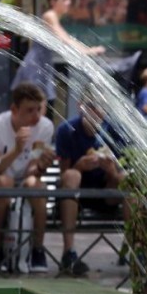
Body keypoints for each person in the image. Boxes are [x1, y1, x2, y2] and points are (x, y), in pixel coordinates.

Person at [0, 84, 57, 273]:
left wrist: (40, 166)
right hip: (0, 180)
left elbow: (32, 170)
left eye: (38, 109)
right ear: (14, 110)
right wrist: (16, 150)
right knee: (3, 183)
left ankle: (38, 249)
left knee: (36, 186)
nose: (36, 116)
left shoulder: (45, 127)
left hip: (25, 180)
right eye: (30, 110)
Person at [55, 101, 129, 274]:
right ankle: (68, 252)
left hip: (107, 194)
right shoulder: (67, 130)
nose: (96, 112)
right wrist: (79, 166)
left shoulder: (115, 132)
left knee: (129, 181)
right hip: (76, 197)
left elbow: (122, 177)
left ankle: (136, 250)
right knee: (72, 176)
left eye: (100, 107)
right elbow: (64, 175)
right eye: (91, 106)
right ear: (81, 106)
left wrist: (111, 171)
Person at [11, 0, 105, 120]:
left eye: (69, 0)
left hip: (42, 65)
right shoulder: (49, 16)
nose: (68, 3)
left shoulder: (53, 17)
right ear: (53, 2)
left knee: (41, 108)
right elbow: (63, 39)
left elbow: (67, 39)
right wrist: (88, 51)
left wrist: (87, 51)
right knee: (37, 108)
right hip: (36, 66)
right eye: (64, 0)